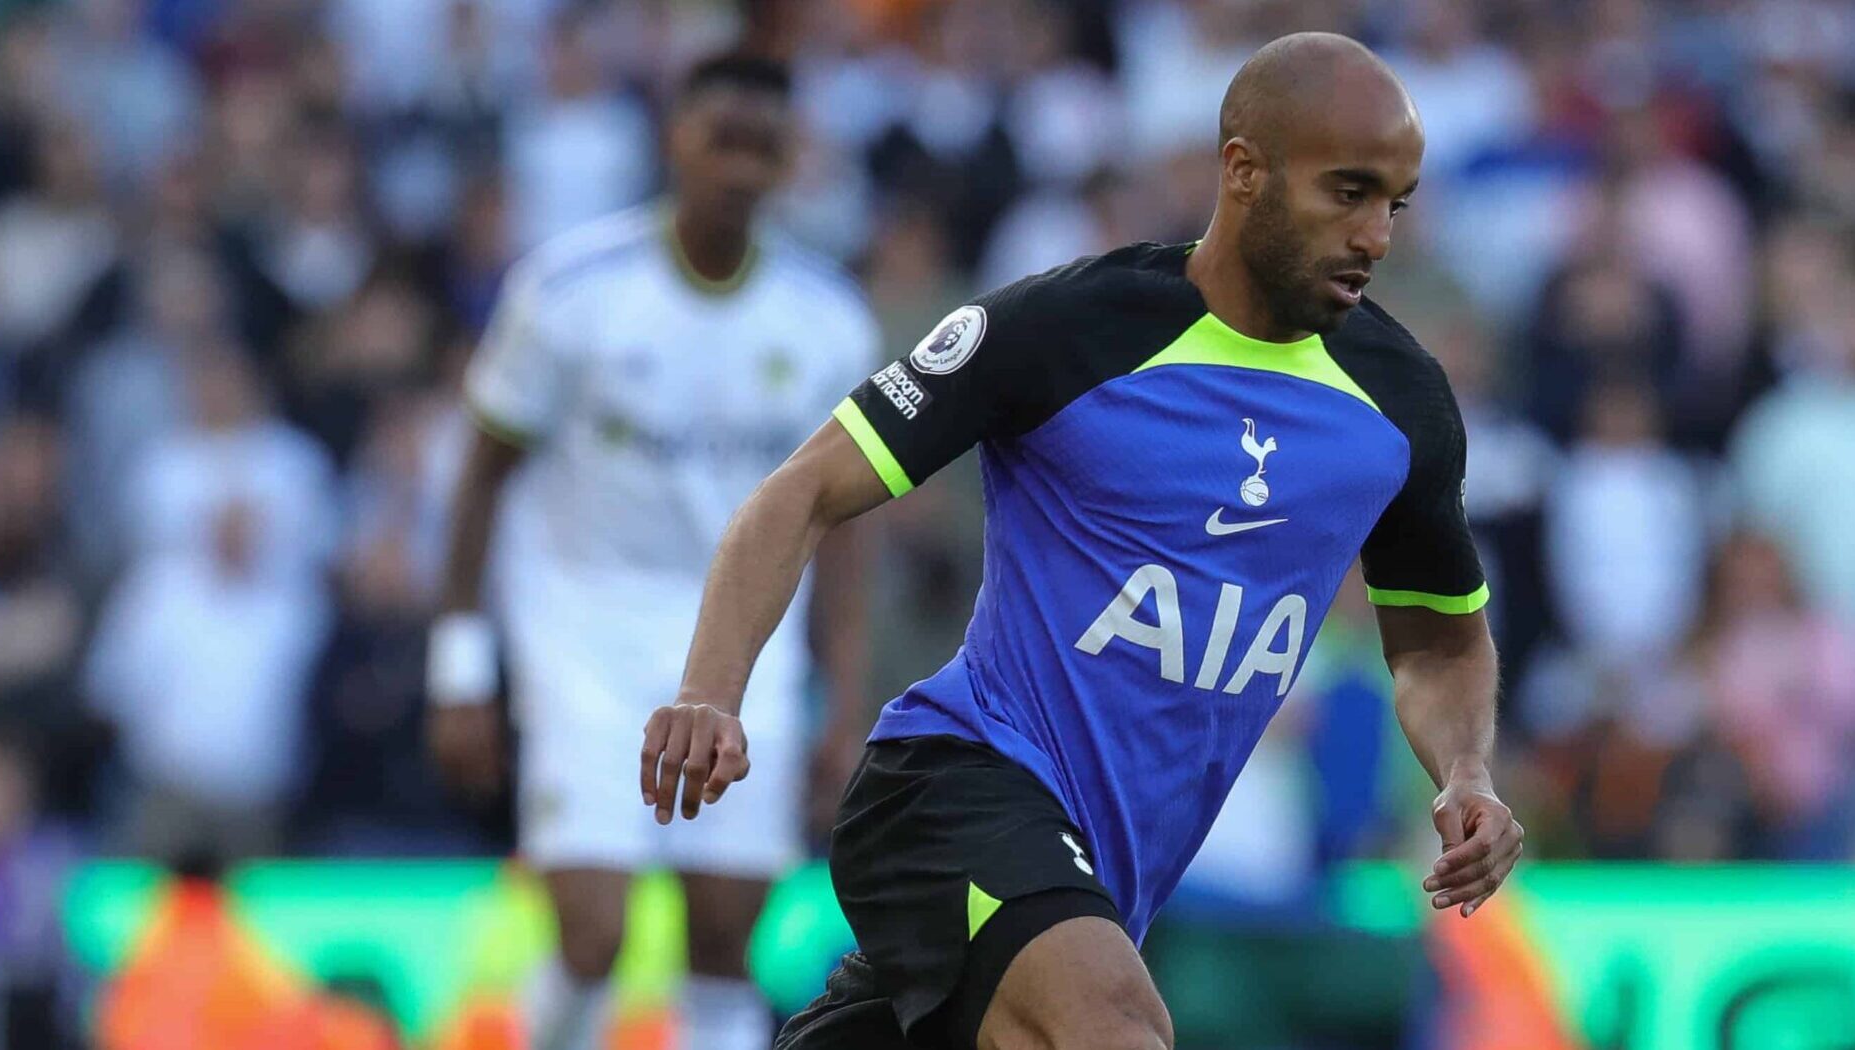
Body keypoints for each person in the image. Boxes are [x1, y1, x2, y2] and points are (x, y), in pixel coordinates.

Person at [650, 33, 1524, 1050]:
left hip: (1103, 878)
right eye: (1348, 193)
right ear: (1242, 171)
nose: (1376, 234)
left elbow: (1439, 637)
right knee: (1115, 1030)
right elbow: (798, 493)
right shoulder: (1072, 329)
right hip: (955, 787)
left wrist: (1465, 770)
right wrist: (710, 691)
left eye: (1395, 203)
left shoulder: (1399, 404)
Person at [424, 55, 879, 1050]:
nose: (739, 164)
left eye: (762, 145)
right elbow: (480, 476)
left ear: (788, 159)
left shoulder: (826, 321)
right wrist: (460, 666)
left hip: (745, 636)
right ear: (674, 138)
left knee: (725, 934)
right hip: (584, 622)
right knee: (592, 933)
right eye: (722, 136)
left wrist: (843, 700)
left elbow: (845, 529)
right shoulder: (569, 290)